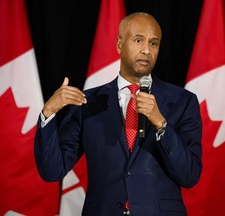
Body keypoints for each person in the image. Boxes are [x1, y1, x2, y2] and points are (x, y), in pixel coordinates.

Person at [34, 12, 202, 216]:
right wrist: (48, 113)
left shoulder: (183, 102)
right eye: (139, 40)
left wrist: (160, 123)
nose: (146, 50)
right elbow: (52, 171)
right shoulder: (88, 103)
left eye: (154, 43)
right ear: (120, 44)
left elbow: (190, 175)